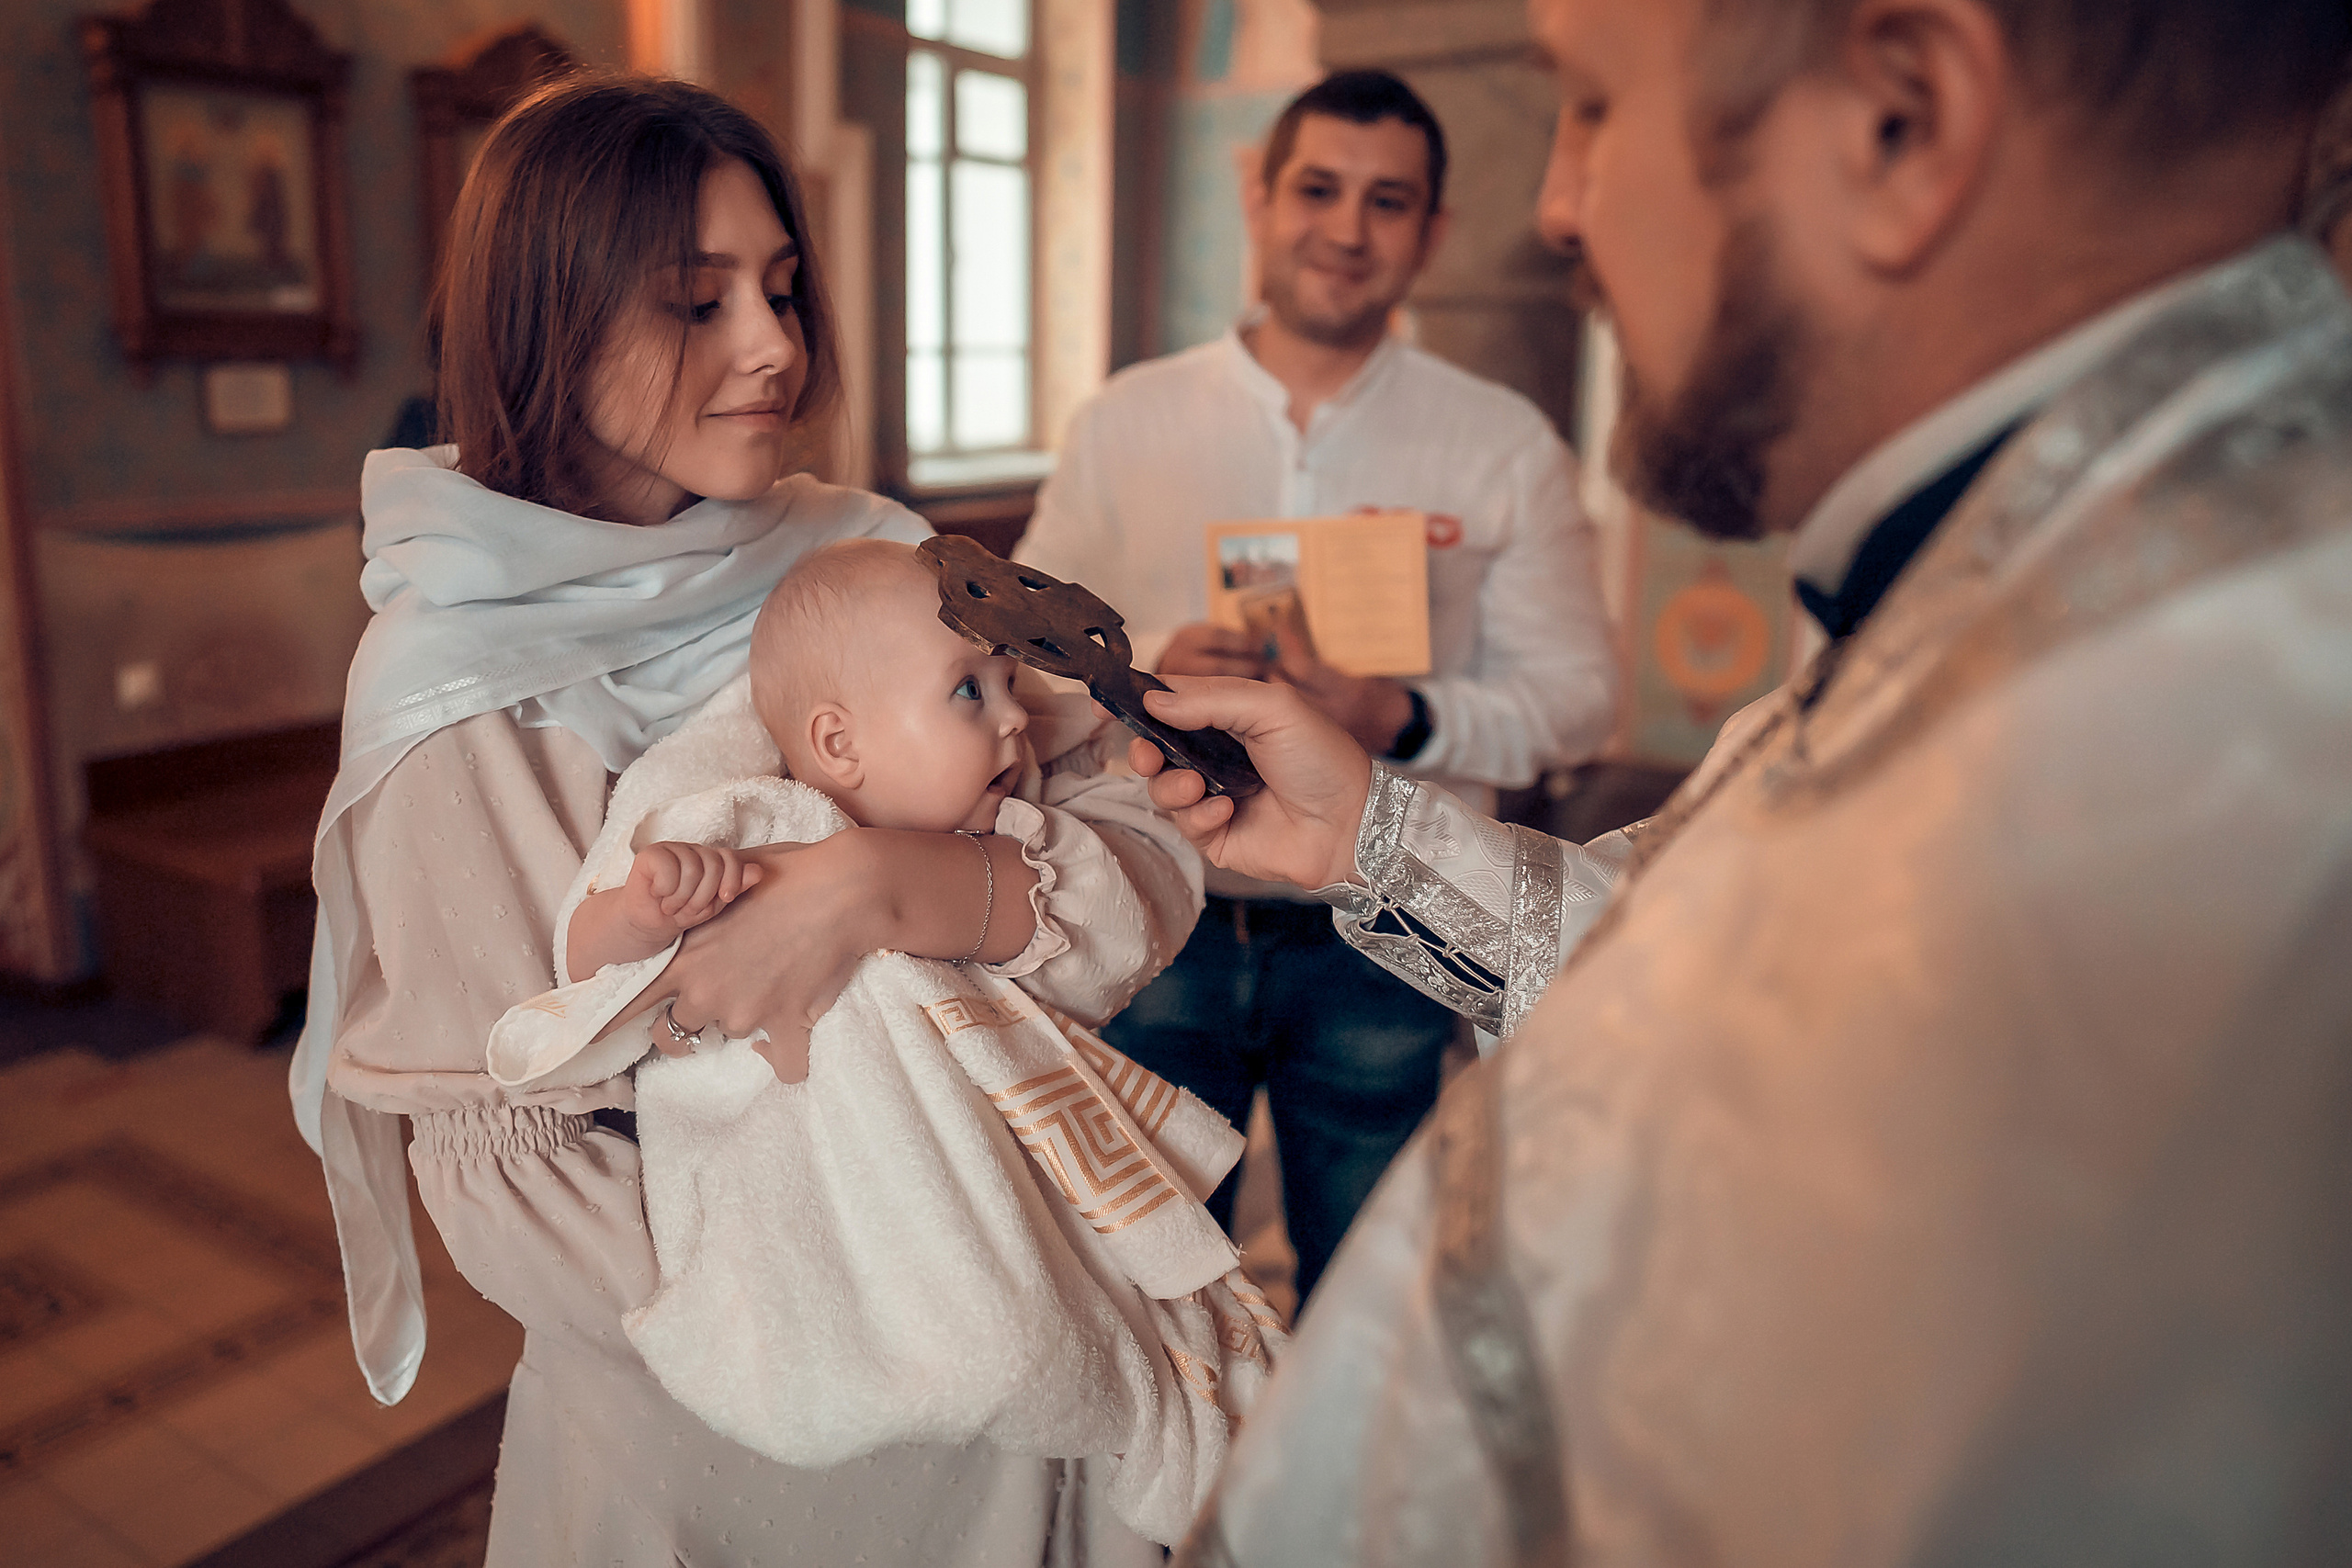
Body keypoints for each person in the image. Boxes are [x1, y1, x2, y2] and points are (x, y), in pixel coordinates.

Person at [1134, 0, 2352, 1561]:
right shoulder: (2044, 566)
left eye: (1590, 106)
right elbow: (1697, 963)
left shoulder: (2224, 745)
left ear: (1900, 123)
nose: (1559, 207)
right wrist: (1368, 832)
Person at [287, 74, 1201, 1566]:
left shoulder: (874, 555)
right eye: (692, 303)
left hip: (1012, 1353)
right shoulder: (449, 689)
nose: (775, 344)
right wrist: (871, 1298)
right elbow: (496, 1152)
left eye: (779, 288)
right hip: (718, 1411)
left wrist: (920, 885)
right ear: (547, 320)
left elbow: (1136, 825)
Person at [499, 538, 1278, 1548]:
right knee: (985, 1344)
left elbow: (1109, 914)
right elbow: (591, 966)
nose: (1013, 717)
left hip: (973, 1191)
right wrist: (652, 904)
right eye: (969, 692)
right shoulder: (750, 819)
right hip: (810, 1180)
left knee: (1037, 1335)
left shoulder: (1009, 844)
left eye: (1008, 684)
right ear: (838, 743)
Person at [1015, 69, 1618, 1304]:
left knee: (1371, 1287)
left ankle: (1327, 1497)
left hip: (1386, 922)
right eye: (1319, 190)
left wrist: (1404, 713)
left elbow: (1580, 699)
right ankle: (1173, 1504)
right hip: (1157, 895)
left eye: (1388, 201)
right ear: (1261, 194)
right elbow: (1015, 667)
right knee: (1150, 1276)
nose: (1346, 229)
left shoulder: (1501, 443)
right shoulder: (1127, 421)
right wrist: (1139, 671)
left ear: (1432, 232)